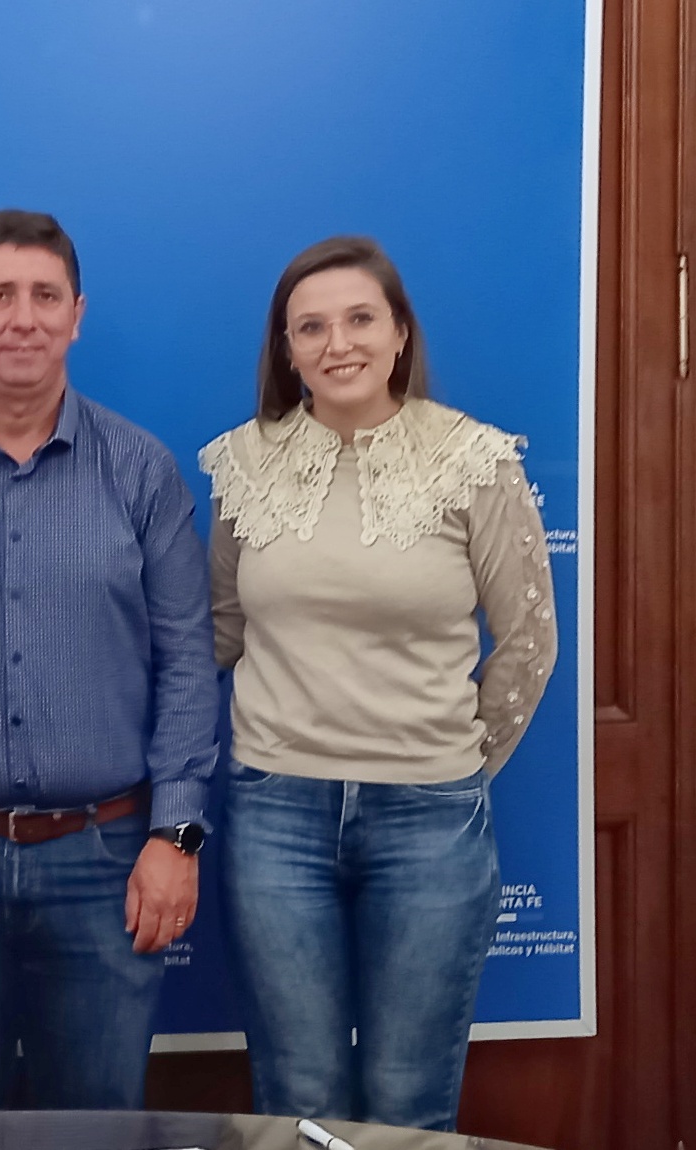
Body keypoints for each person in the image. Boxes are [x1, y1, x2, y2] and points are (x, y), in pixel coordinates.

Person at [0, 209, 220, 1112]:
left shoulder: (140, 471)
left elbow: (187, 662)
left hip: (106, 860)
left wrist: (176, 839)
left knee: (96, 1122)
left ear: (76, 315)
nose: (22, 318)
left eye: (44, 296)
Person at [199, 236, 556, 1130]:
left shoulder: (475, 460)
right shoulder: (242, 463)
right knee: (299, 1097)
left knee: (406, 1100)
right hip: (275, 813)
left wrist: (452, 762)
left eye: (359, 319)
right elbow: (221, 631)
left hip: (429, 817)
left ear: (399, 332)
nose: (338, 343)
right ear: (286, 350)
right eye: (310, 327)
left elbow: (527, 643)